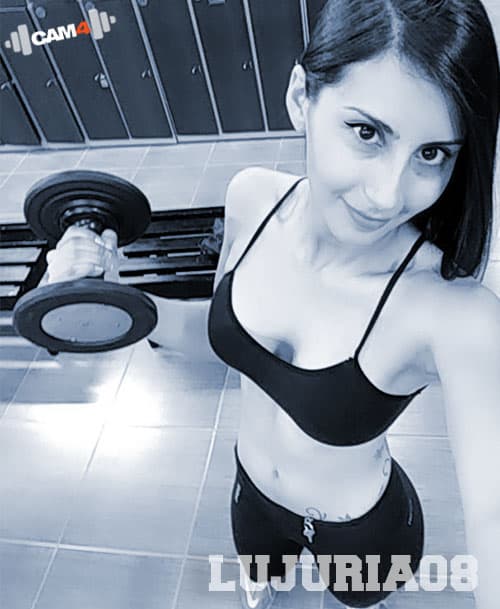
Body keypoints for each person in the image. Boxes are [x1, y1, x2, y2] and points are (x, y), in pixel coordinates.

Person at [45, 0, 500, 607]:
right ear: (300, 98)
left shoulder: (456, 313)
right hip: (252, 499)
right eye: (367, 133)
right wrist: (101, 296)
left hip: (362, 532)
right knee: (264, 585)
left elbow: (493, 514)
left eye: (432, 153)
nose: (389, 195)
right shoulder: (252, 198)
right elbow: (218, 337)